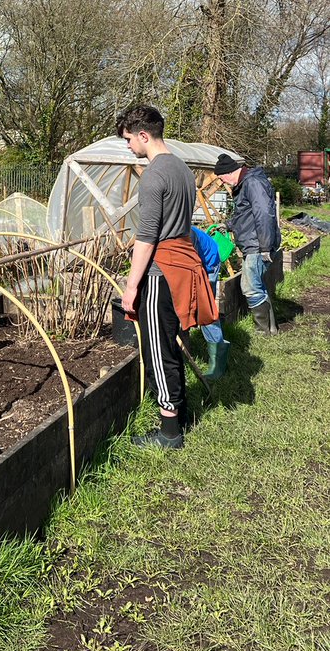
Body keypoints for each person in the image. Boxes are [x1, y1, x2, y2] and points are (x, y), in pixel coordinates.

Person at [117, 104, 219, 450]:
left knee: (159, 353)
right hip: (184, 266)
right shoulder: (182, 169)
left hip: (161, 272)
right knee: (173, 344)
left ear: (144, 135)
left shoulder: (154, 175)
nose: (129, 147)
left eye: (130, 140)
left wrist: (131, 288)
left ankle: (169, 433)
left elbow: (146, 238)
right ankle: (182, 414)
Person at [213, 153, 280, 335]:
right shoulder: (247, 183)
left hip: (257, 245)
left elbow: (264, 214)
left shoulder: (252, 183)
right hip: (255, 243)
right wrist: (227, 224)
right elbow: (246, 215)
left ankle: (262, 331)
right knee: (257, 285)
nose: (224, 183)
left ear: (228, 173)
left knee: (250, 286)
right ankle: (271, 330)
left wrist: (265, 246)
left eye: (221, 179)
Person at [191, 225, 230, 380]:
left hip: (208, 264)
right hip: (201, 257)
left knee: (205, 310)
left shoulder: (185, 235)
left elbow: (191, 266)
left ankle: (218, 364)